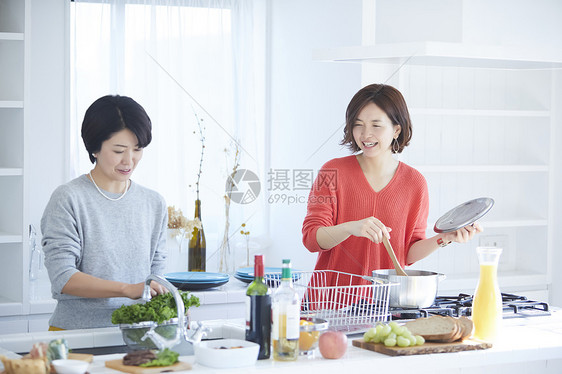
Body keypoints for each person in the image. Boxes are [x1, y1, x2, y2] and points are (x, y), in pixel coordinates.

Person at [302, 84, 482, 279]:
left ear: (397, 130)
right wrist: (349, 227)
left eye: (376, 125)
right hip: (331, 302)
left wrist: (444, 238)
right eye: (358, 124)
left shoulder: (415, 183)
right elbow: (312, 238)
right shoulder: (332, 172)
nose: (365, 134)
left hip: (385, 302)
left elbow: (407, 252)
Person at [41, 95, 168, 330]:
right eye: (119, 150)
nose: (129, 161)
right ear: (95, 148)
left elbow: (156, 277)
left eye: (137, 149)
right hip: (77, 335)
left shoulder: (154, 203)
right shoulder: (69, 198)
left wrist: (174, 306)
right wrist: (126, 289)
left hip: (140, 335)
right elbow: (63, 277)